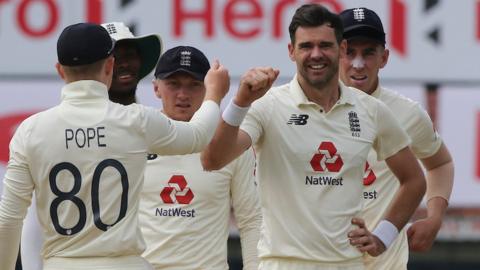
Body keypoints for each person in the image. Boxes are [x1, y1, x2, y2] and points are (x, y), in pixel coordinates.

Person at [201, 4, 426, 269]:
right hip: (282, 263)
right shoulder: (267, 105)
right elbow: (212, 160)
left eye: (325, 46)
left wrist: (382, 238)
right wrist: (240, 102)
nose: (316, 55)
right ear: (291, 51)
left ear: (341, 49)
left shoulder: (370, 110)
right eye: (306, 46)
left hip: (347, 264)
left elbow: (414, 181)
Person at [0, 22, 229, 270]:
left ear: (60, 70)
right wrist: (214, 95)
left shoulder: (31, 130)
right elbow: (197, 136)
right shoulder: (138, 121)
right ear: (109, 66)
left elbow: (9, 219)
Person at [338, 7, 454, 270]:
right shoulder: (307, 110)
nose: (358, 63)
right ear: (334, 54)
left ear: (384, 57)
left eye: (368, 52)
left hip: (384, 263)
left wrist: (434, 218)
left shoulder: (407, 113)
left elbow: (440, 164)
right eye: (349, 52)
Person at [139, 45, 261, 269]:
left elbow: (251, 219)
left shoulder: (227, 143)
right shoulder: (137, 136)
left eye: (194, 85)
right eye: (173, 84)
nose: (183, 95)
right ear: (156, 88)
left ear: (208, 89)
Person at [101, 22, 162, 105]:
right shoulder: (83, 117)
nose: (124, 64)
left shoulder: (154, 116)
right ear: (97, 68)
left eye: (130, 55)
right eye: (113, 57)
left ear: (140, 60)